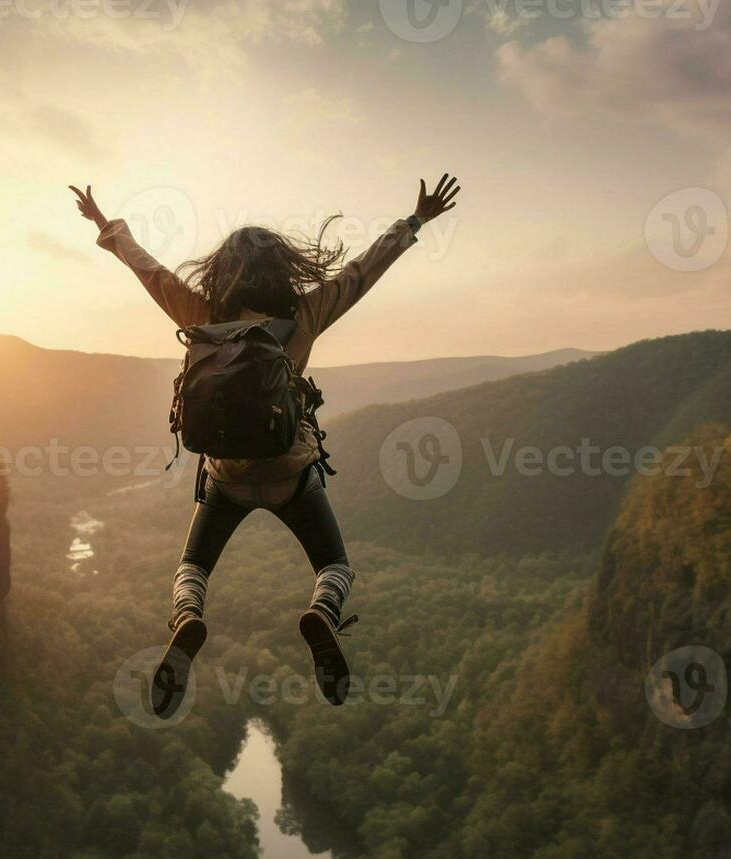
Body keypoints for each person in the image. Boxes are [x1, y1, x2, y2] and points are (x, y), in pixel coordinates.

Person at [70, 175, 459, 716]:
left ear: (222, 270)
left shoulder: (200, 314)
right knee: (335, 567)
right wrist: (414, 221)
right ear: (283, 268)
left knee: (192, 569)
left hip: (225, 476)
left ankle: (187, 619)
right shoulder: (303, 315)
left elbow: (148, 269)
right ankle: (322, 614)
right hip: (291, 473)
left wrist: (105, 223)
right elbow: (362, 273)